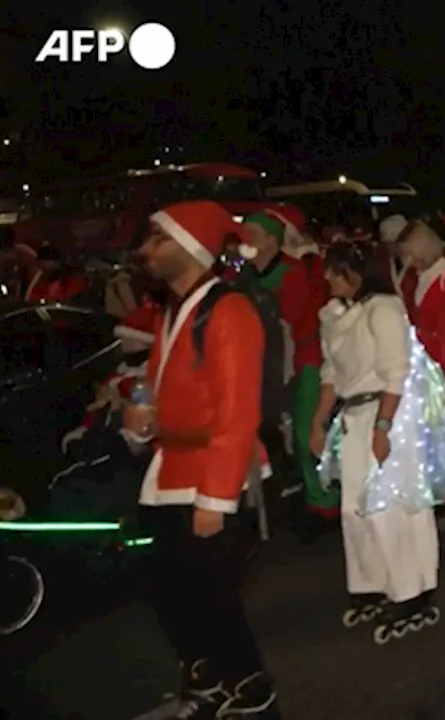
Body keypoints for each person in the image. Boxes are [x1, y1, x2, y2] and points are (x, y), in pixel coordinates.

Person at [120, 200, 279, 719]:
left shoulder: (228, 309)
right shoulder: (174, 309)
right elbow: (160, 379)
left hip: (212, 477)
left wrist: (215, 499)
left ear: (188, 247)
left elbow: (238, 414)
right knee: (170, 592)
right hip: (171, 471)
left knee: (215, 603)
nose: (146, 250)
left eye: (158, 240)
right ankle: (207, 681)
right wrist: (141, 411)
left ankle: (253, 695)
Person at [307, 241, 445, 645]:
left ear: (356, 272)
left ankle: (412, 589)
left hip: (388, 417)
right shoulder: (334, 316)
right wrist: (319, 422)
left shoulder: (384, 309)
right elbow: (331, 374)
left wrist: (382, 427)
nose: (327, 278)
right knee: (354, 509)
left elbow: (396, 372)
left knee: (392, 507)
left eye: (335, 270)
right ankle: (372, 581)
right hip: (354, 416)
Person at [240, 211, 336, 523]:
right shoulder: (245, 276)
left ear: (271, 239)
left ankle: (323, 498)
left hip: (302, 361)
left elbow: (294, 320)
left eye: (252, 233)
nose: (246, 240)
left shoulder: (293, 273)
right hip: (265, 364)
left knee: (304, 431)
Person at [395, 219, 445, 368]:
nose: (406, 261)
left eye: (408, 254)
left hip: (440, 359)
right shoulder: (418, 276)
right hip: (421, 357)